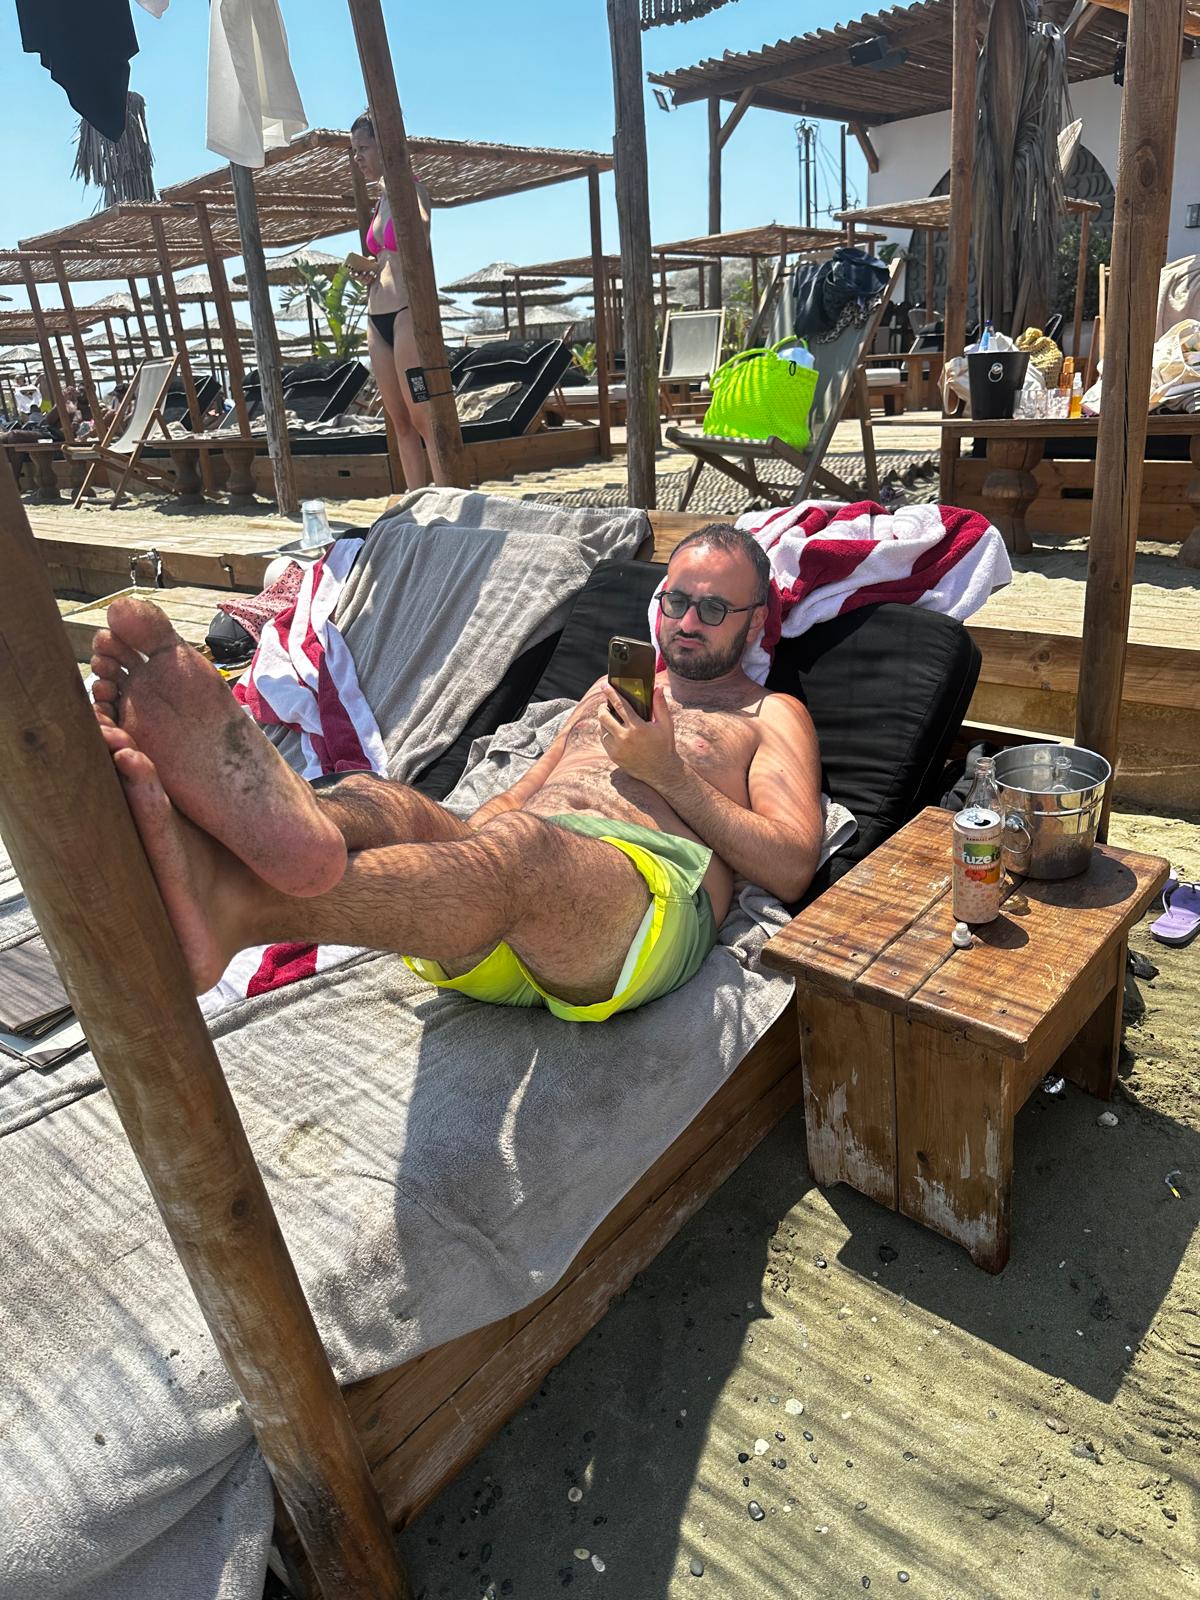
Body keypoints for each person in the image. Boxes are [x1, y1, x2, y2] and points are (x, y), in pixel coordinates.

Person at [89, 525, 823, 1022]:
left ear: (755, 621)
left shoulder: (769, 715)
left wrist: (669, 773)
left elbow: (792, 867)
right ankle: (258, 833)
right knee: (387, 798)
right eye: (676, 600)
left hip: (637, 914)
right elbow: (524, 793)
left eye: (714, 608)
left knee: (524, 852)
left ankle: (239, 906)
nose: (687, 622)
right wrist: (462, 840)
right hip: (503, 898)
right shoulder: (608, 689)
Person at [349, 111, 435, 492]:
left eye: (363, 148)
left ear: (384, 147)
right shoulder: (379, 202)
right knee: (399, 422)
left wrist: (394, 184)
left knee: (423, 418)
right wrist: (369, 270)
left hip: (405, 313)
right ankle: (416, 499)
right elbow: (386, 256)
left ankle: (445, 498)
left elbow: (419, 231)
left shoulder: (412, 191)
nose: (358, 158)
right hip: (376, 315)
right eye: (355, 151)